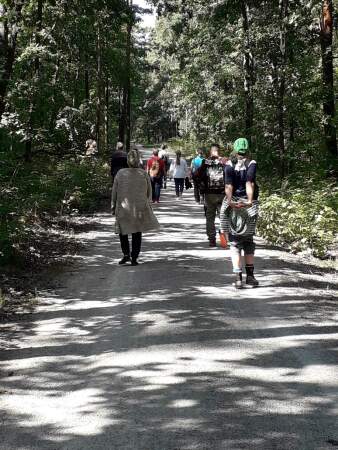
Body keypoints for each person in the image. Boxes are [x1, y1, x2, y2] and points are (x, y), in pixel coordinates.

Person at [220, 138, 259, 289]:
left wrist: (230, 201)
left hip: (233, 205)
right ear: (247, 149)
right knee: (248, 240)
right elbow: (250, 183)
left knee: (235, 242)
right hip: (248, 206)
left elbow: (228, 184)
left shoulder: (229, 164)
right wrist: (249, 200)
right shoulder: (252, 163)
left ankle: (238, 278)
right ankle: (250, 277)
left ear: (235, 150)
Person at [112, 148, 160, 266]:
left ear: (128, 160)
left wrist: (113, 205)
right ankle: (134, 257)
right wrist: (148, 203)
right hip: (139, 207)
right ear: (138, 161)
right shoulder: (142, 173)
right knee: (137, 232)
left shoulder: (120, 173)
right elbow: (149, 191)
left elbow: (114, 191)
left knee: (123, 231)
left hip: (123, 207)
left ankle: (126, 254)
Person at [198, 144, 226, 247]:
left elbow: (199, 175)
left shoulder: (206, 161)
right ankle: (224, 238)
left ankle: (212, 240)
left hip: (209, 194)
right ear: (219, 151)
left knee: (210, 217)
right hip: (222, 194)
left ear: (211, 152)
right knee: (223, 217)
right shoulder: (224, 161)